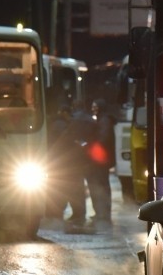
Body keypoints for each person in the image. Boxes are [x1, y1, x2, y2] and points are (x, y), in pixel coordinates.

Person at [47, 104, 89, 232]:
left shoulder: (56, 124)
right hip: (67, 164)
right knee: (72, 189)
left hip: (61, 163)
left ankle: (58, 213)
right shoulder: (61, 125)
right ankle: (74, 214)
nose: (70, 117)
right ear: (64, 113)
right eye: (69, 114)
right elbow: (67, 140)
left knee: (61, 189)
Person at [85, 98, 115, 232]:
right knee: (102, 186)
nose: (93, 109)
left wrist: (89, 146)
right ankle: (102, 214)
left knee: (101, 186)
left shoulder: (104, 121)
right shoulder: (104, 120)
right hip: (102, 160)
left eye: (95, 107)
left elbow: (102, 140)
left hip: (100, 161)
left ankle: (103, 215)